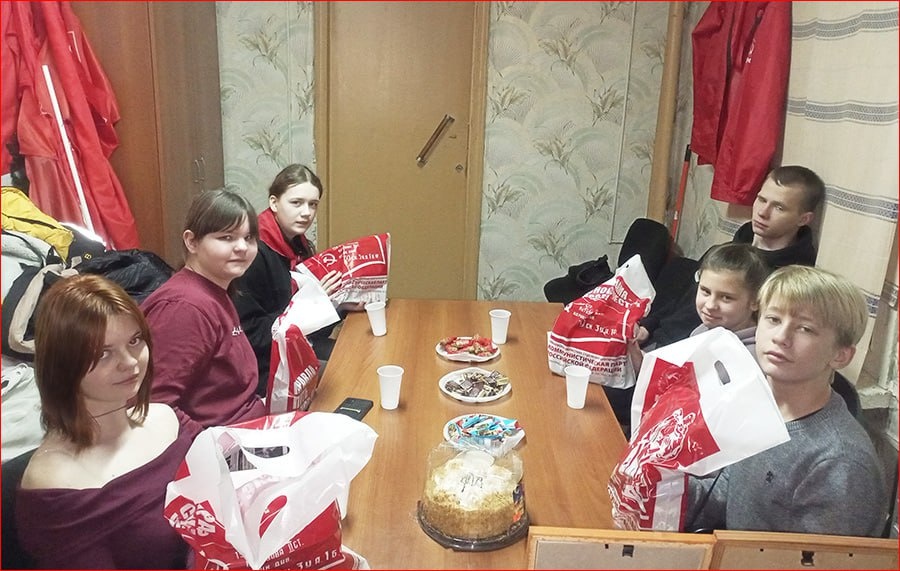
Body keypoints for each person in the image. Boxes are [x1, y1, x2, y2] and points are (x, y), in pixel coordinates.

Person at [685, 266, 887, 536]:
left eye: (805, 328)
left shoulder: (840, 463)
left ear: (840, 355)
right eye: (773, 319)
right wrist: (662, 491)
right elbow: (728, 496)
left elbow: (813, 557)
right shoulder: (761, 407)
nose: (781, 337)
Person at [16, 274, 202, 568]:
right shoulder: (55, 484)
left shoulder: (168, 419)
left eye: (134, 341)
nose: (129, 362)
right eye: (103, 353)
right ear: (62, 365)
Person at [641, 164, 826, 350]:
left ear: (803, 219)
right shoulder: (726, 250)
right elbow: (685, 299)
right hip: (660, 340)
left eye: (779, 207)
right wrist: (649, 326)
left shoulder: (788, 282)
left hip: (695, 354)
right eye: (761, 200)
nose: (763, 212)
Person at [142, 189, 267, 427]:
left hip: (249, 422)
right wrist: (210, 443)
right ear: (192, 242)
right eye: (227, 237)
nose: (242, 247)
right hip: (221, 440)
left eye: (249, 238)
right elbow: (156, 405)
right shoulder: (184, 307)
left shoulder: (215, 289)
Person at [233, 164, 360, 395]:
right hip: (263, 367)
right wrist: (311, 303)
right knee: (352, 373)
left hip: (292, 348)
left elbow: (311, 330)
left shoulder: (299, 246)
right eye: (296, 202)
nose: (306, 212)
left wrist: (338, 305)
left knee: (359, 357)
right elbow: (250, 334)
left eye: (313, 204)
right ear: (274, 203)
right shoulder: (252, 253)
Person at [625, 243, 771, 425]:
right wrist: (636, 354)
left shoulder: (751, 358)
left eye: (726, 297)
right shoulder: (702, 330)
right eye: (705, 291)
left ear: (755, 301)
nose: (710, 305)